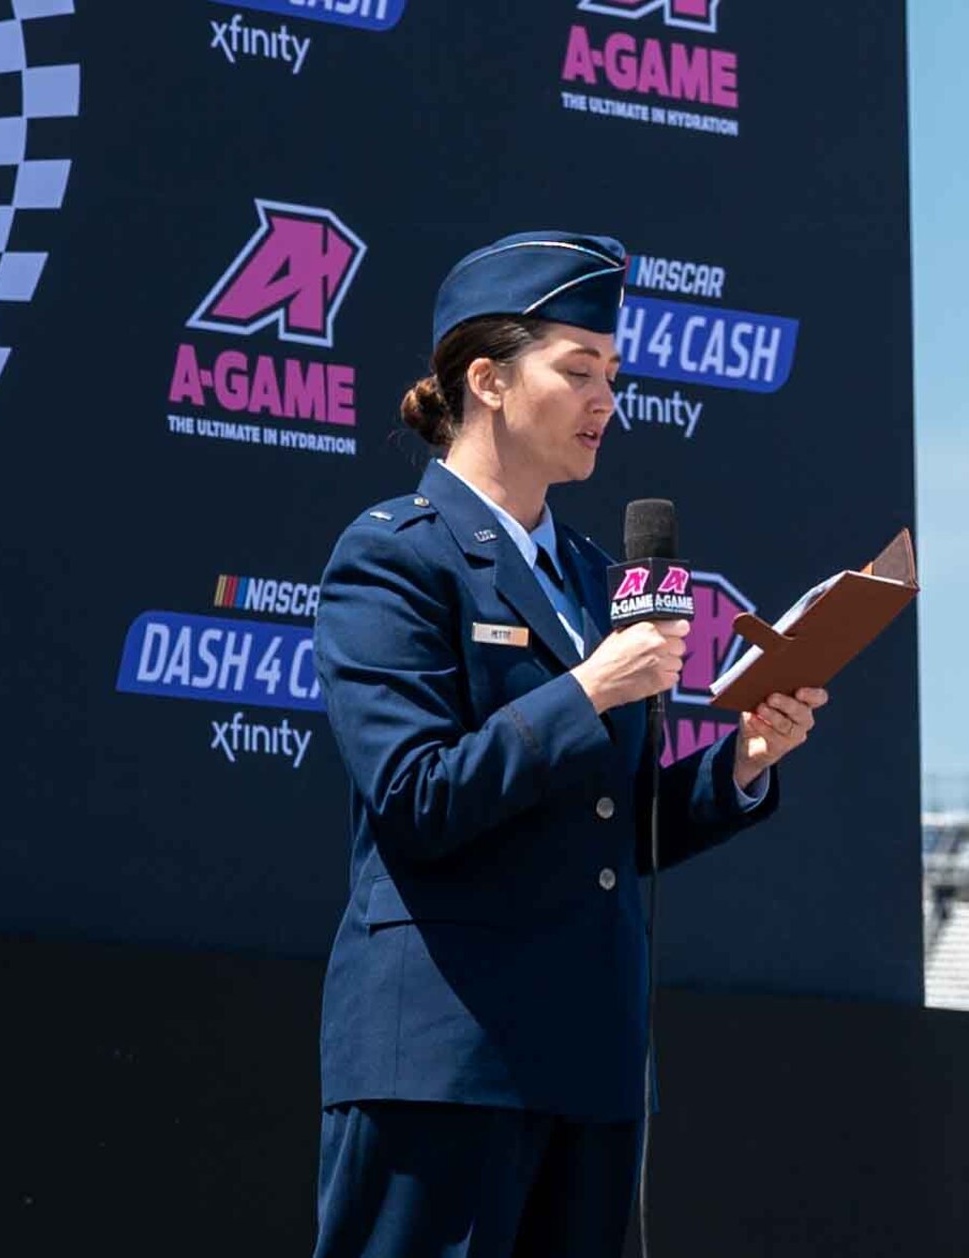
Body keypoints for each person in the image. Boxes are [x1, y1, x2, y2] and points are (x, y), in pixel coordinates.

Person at [308, 230, 829, 1258]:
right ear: (488, 379)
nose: (606, 399)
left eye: (614, 374)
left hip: (591, 1071)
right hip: (445, 1062)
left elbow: (611, 828)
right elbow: (416, 798)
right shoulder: (393, 555)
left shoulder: (597, 577)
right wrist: (588, 691)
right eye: (577, 369)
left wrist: (739, 767)